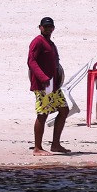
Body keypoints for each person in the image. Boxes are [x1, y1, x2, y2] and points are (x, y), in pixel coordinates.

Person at [28, 16, 70, 155]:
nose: (48, 29)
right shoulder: (37, 41)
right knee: (42, 114)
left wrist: (57, 80)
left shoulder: (50, 43)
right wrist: (43, 78)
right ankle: (37, 148)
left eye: (50, 27)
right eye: (45, 27)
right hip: (43, 85)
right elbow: (31, 61)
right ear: (40, 27)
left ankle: (55, 144)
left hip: (53, 85)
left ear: (53, 28)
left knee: (64, 110)